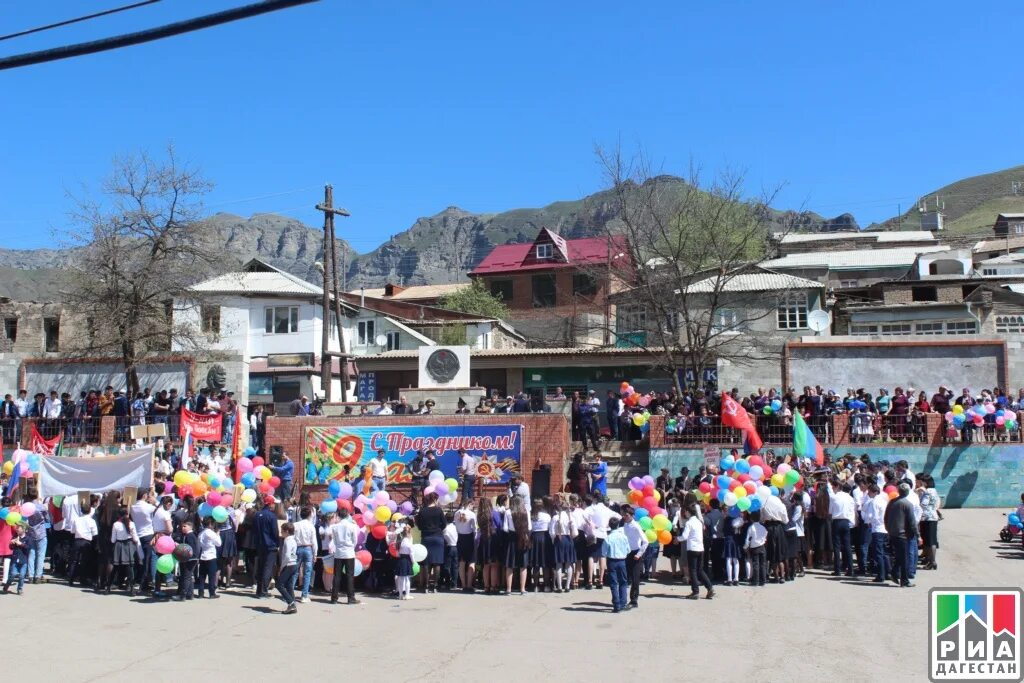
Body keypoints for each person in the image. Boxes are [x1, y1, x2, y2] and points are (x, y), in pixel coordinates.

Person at [884, 483, 918, 588]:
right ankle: (904, 580)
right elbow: (912, 522)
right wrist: (916, 534)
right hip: (903, 534)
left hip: (893, 533)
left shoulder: (892, 502)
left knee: (900, 556)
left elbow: (886, 517)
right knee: (904, 558)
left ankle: (895, 573)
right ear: (907, 492)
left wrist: (888, 528)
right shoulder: (908, 504)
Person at [327, 508, 361, 605]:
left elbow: (334, 540)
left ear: (339, 515)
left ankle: (334, 598)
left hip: (338, 553)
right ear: (347, 515)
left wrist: (339, 546)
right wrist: (351, 547)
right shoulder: (352, 526)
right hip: (349, 552)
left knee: (337, 576)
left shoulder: (334, 527)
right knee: (350, 576)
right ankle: (351, 598)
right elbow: (355, 540)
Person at [416, 492, 447, 593]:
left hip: (426, 537)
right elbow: (444, 524)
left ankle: (425, 585)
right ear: (435, 500)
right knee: (437, 562)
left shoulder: (422, 511)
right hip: (438, 537)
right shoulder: (439, 510)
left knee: (426, 563)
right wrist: (438, 529)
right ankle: (435, 586)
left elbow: (419, 526)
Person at [682, 503, 714, 599]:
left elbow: (684, 536)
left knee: (693, 571)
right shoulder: (699, 522)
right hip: (700, 548)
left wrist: (677, 539)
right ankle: (710, 587)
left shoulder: (689, 523)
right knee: (700, 570)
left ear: (688, 512)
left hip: (692, 548)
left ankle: (695, 591)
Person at [619, 505, 648, 609]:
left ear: (631, 515)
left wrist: (639, 554)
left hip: (635, 553)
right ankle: (622, 599)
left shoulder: (636, 526)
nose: (624, 517)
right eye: (623, 514)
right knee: (626, 577)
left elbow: (645, 541)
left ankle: (634, 600)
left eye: (626, 515)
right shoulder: (623, 524)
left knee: (635, 578)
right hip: (626, 552)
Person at [106, 506, 140, 595]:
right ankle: (132, 589)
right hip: (128, 545)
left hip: (118, 545)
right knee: (130, 568)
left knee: (115, 567)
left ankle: (108, 587)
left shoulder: (115, 524)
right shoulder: (131, 523)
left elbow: (113, 540)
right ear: (127, 514)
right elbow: (135, 538)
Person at [861, 483, 889, 583]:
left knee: (878, 553)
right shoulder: (884, 501)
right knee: (885, 552)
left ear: (873, 492)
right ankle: (887, 572)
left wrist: (868, 522)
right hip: (885, 528)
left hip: (877, 528)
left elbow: (871, 516)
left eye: (869, 492)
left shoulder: (874, 502)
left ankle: (880, 575)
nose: (868, 494)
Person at [827, 480, 856, 578]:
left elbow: (830, 511)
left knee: (836, 546)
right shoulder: (849, 498)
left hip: (837, 521)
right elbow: (852, 511)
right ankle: (850, 569)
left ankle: (837, 570)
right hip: (846, 521)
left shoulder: (834, 497)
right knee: (847, 546)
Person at [601, 517, 630, 612]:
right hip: (622, 561)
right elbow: (628, 550)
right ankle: (623, 602)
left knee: (613, 583)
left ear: (610, 526)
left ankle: (616, 604)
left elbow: (603, 552)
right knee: (623, 582)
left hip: (612, 561)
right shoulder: (623, 537)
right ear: (618, 525)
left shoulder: (608, 538)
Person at [253, 498, 280, 598]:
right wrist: (277, 544)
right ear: (270, 504)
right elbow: (275, 532)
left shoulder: (257, 515)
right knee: (267, 568)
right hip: (270, 545)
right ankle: (264, 592)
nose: (274, 506)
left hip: (260, 545)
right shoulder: (272, 516)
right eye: (273, 504)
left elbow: (254, 531)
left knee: (260, 567)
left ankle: (259, 591)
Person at [503, 497, 531, 595]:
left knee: (510, 565)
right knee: (523, 565)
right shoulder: (526, 512)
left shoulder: (508, 512)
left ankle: (508, 589)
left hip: (511, 538)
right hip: (523, 537)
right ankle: (522, 589)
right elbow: (530, 527)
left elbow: (505, 528)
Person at [68, 500, 97, 588]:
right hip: (87, 542)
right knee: (85, 561)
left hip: (77, 540)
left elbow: (72, 531)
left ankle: (71, 578)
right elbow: (95, 533)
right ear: (89, 511)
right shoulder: (92, 521)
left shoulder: (76, 520)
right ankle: (83, 579)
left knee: (74, 560)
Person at [293, 506, 317, 603]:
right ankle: (304, 595)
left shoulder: (295, 525)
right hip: (308, 548)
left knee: (295, 571)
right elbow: (314, 541)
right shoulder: (311, 525)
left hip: (298, 548)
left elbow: (293, 538)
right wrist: (315, 553)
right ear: (310, 515)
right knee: (308, 572)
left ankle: (291, 593)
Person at [917, 475, 941, 570]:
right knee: (927, 540)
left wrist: (919, 495)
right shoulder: (933, 490)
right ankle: (928, 559)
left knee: (931, 541)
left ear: (925, 483)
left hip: (928, 518)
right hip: (929, 517)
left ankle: (932, 561)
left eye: (922, 482)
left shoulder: (928, 492)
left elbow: (923, 504)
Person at [454, 500, 478, 593]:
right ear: (469, 504)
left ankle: (463, 585)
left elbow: (456, 525)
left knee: (461, 562)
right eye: (473, 505)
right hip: (469, 538)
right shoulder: (472, 514)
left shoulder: (456, 513)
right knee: (471, 562)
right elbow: (475, 528)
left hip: (460, 538)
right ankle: (469, 585)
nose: (473, 507)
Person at [174, 520, 200, 601]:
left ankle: (183, 595)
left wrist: (180, 546)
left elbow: (190, 548)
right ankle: (190, 594)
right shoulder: (187, 535)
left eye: (185, 526)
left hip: (189, 559)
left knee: (186, 577)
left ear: (190, 527)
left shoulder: (190, 536)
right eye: (182, 526)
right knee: (188, 576)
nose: (183, 528)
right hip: (189, 558)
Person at [276, 522, 298, 613]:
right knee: (289, 585)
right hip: (293, 564)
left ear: (287, 531)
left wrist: (282, 567)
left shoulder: (288, 540)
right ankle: (292, 604)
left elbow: (287, 555)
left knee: (279, 585)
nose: (281, 533)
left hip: (288, 564)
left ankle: (291, 602)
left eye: (282, 531)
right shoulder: (293, 539)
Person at [197, 517, 222, 599]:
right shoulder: (211, 533)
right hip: (211, 556)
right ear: (210, 524)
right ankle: (212, 593)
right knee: (212, 576)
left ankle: (200, 592)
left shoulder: (201, 533)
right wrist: (218, 534)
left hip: (203, 555)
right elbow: (219, 543)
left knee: (202, 576)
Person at [744, 510, 768, 587]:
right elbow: (765, 535)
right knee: (763, 564)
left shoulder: (751, 527)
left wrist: (745, 547)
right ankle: (763, 580)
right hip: (762, 546)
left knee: (756, 564)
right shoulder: (763, 527)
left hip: (754, 547)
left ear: (751, 519)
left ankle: (756, 581)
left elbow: (747, 539)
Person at [3, 524, 28, 595]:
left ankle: (20, 589)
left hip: (24, 561)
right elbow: (11, 548)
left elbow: (28, 548)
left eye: (18, 529)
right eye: (16, 529)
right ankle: (7, 585)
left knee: (22, 576)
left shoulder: (27, 538)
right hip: (15, 559)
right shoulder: (15, 537)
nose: (17, 530)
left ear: (23, 530)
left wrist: (21, 544)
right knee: (12, 574)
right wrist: (12, 543)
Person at [394, 525, 414, 600]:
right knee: (407, 578)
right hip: (407, 560)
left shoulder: (399, 541)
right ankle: (407, 595)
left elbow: (397, 554)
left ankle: (400, 594)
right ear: (408, 533)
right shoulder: (408, 542)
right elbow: (411, 553)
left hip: (400, 559)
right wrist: (414, 562)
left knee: (400, 578)